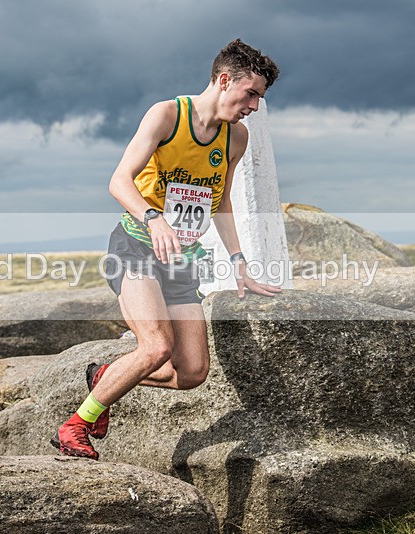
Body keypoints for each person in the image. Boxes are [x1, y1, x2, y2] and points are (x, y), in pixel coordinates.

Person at [51, 39, 282, 459]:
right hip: (135, 248)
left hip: (181, 262)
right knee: (156, 348)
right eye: (250, 94)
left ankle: (106, 376)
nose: (254, 106)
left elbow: (221, 203)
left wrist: (239, 262)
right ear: (224, 80)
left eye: (260, 99)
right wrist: (153, 218)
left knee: (192, 372)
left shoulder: (236, 138)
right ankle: (76, 425)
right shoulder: (167, 116)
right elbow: (119, 180)